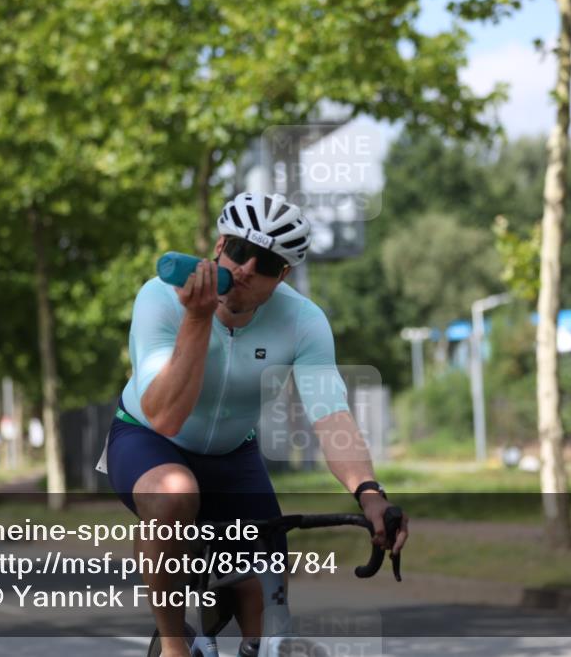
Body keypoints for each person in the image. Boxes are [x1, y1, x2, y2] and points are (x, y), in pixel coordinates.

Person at [96, 192, 408, 657]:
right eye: (240, 252)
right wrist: (197, 319)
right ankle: (176, 645)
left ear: (282, 275)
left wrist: (369, 491)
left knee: (267, 607)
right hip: (148, 442)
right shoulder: (160, 298)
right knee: (175, 491)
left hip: (231, 453)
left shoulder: (303, 321)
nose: (245, 269)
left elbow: (331, 414)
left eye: (263, 263)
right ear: (219, 247)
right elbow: (164, 416)